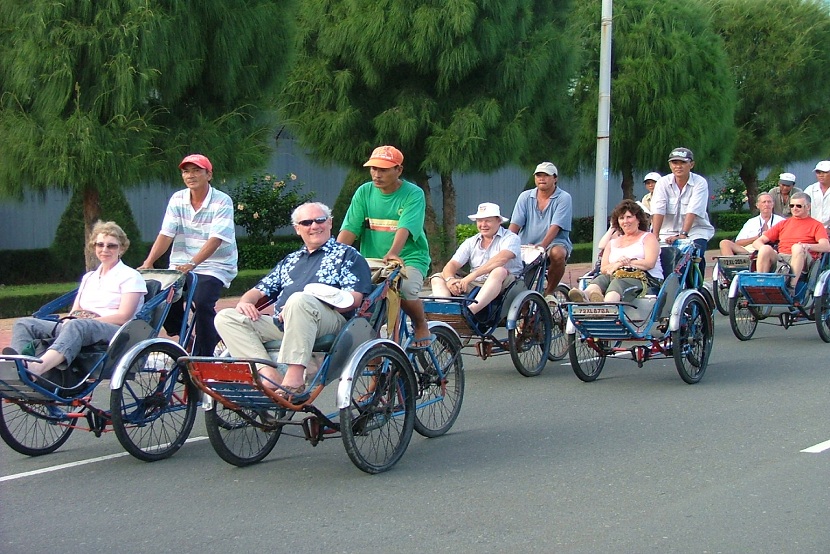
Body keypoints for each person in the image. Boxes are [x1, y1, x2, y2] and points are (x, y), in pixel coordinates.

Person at [215, 202, 372, 396]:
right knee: (226, 317)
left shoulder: (347, 255)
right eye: (306, 222)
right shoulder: (291, 260)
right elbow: (258, 290)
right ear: (297, 229)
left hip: (330, 322)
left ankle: (294, 377)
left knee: (299, 301)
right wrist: (245, 302)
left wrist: (301, 307)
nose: (314, 226)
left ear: (330, 223)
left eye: (320, 220)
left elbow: (354, 299)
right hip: (285, 323)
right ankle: (268, 374)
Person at [6, 221, 147, 378]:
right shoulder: (89, 277)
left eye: (111, 246)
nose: (104, 249)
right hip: (80, 325)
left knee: (77, 325)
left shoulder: (131, 276)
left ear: (121, 248)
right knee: (24, 324)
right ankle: (18, 366)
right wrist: (70, 319)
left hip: (115, 330)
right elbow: (76, 310)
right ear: (94, 247)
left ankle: (36, 369)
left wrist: (90, 321)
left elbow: (124, 316)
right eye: (100, 245)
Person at [139, 154, 238, 357]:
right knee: (159, 294)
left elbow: (216, 239)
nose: (190, 175)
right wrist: (148, 262)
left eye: (196, 170)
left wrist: (192, 263)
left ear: (209, 174)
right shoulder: (177, 199)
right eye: (186, 171)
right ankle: (182, 335)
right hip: (180, 264)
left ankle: (204, 354)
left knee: (202, 302)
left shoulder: (222, 201)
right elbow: (166, 234)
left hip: (215, 265)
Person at [337, 145, 432, 349]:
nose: (376, 174)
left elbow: (405, 227)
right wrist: (333, 256)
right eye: (373, 169)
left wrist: (393, 253)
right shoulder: (364, 192)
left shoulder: (413, 194)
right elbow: (350, 228)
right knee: (363, 309)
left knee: (404, 289)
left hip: (408, 257)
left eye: (383, 169)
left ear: (399, 170)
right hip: (371, 260)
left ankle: (420, 323)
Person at [430, 202, 522, 316]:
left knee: (499, 271)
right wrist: (450, 280)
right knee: (437, 277)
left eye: (488, 220)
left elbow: (501, 259)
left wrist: (471, 277)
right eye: (479, 221)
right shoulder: (471, 241)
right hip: (476, 283)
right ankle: (445, 313)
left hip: (506, 284)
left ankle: (470, 312)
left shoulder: (511, 238)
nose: (483, 224)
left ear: (499, 221)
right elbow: (452, 264)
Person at [568, 200, 662, 303]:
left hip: (644, 278)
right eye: (621, 218)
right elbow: (604, 269)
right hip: (616, 274)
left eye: (629, 217)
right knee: (601, 279)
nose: (625, 221)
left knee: (617, 283)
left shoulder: (648, 237)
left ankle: (606, 306)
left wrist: (623, 263)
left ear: (638, 219)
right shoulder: (612, 243)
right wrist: (617, 264)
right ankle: (585, 296)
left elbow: (649, 263)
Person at [508, 162, 573, 300]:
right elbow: (515, 224)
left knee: (558, 254)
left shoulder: (564, 198)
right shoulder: (525, 197)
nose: (541, 179)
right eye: (538, 175)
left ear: (555, 178)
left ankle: (549, 293)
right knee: (517, 282)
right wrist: (506, 243)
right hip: (527, 244)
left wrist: (542, 247)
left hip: (553, 243)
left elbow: (556, 226)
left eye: (546, 175)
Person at [650, 147, 715, 275]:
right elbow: (658, 209)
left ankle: (697, 289)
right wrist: (655, 235)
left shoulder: (699, 182)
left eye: (683, 163)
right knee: (656, 258)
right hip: (666, 232)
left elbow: (693, 210)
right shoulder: (662, 183)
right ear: (670, 165)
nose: (678, 166)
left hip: (695, 231)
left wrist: (683, 235)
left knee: (696, 255)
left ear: (691, 164)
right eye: (675, 163)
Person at [751, 192, 830, 295]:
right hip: (782, 258)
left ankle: (791, 287)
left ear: (808, 207)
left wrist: (808, 246)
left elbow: (826, 246)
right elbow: (757, 242)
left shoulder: (816, 225)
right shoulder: (783, 223)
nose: (794, 208)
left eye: (799, 206)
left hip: (803, 257)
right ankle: (761, 284)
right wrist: (769, 249)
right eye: (792, 205)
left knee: (797, 247)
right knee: (765, 249)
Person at [719, 193, 784, 255]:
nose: (766, 204)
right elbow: (738, 242)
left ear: (773, 204)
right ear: (757, 205)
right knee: (724, 243)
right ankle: (732, 266)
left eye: (769, 202)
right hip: (750, 250)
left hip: (772, 250)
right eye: (764, 202)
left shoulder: (781, 221)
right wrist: (757, 237)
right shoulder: (751, 222)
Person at [803, 161, 830, 231]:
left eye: (825, 172)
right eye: (818, 172)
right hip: (811, 228)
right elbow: (802, 208)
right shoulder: (810, 189)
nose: (821, 175)